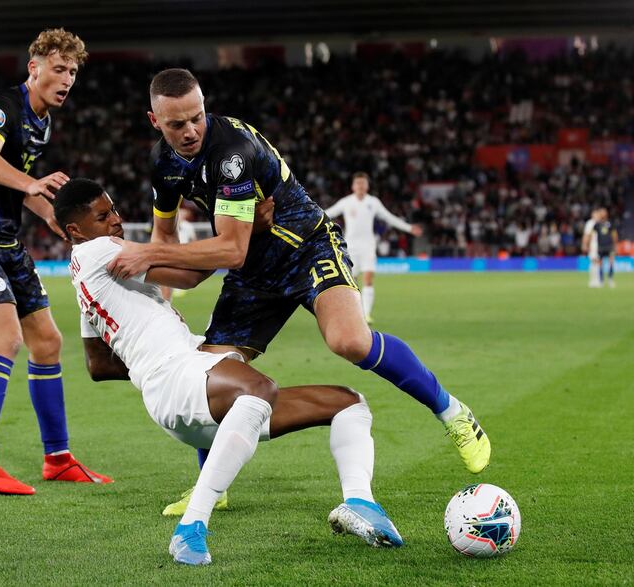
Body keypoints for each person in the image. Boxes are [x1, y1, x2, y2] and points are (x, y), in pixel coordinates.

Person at [108, 69, 490, 514]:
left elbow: (229, 248)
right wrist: (162, 308)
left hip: (304, 245)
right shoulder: (164, 164)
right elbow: (165, 237)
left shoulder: (230, 152)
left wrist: (147, 254)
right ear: (155, 120)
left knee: (349, 341)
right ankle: (212, 483)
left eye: (197, 117)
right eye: (177, 124)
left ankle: (453, 413)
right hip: (255, 269)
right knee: (209, 374)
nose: (191, 130)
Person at [54, 178, 404, 565]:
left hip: (187, 384)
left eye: (114, 210)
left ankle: (359, 502)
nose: (117, 221)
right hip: (179, 377)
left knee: (348, 403)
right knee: (258, 389)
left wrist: (143, 368)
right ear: (75, 230)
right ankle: (191, 528)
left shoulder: (81, 282)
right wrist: (246, 230)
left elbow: (97, 365)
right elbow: (188, 275)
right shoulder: (101, 249)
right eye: (103, 216)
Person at [0, 29, 109, 495]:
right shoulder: (2, 106)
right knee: (7, 338)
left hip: (4, 240)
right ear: (34, 68)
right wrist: (32, 186)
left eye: (73, 71)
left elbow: (19, 185)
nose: (67, 78)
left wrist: (51, 215)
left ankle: (57, 458)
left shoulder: (42, 121)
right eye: (58, 68)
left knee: (48, 341)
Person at [324, 172, 423, 323]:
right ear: (353, 186)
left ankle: (366, 315)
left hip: (368, 246)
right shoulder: (346, 202)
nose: (361, 186)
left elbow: (389, 217)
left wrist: (409, 228)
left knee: (368, 279)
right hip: (350, 246)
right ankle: (353, 312)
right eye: (358, 183)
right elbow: (326, 214)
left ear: (367, 186)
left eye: (363, 183)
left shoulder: (373, 202)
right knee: (351, 281)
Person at [582, 207, 618, 288]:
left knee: (611, 262)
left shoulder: (610, 223)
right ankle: (601, 280)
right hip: (600, 246)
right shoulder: (597, 224)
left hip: (610, 246)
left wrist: (615, 245)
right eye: (601, 212)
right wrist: (587, 244)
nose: (602, 214)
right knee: (599, 263)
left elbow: (614, 235)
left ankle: (610, 279)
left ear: (606, 214)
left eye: (604, 212)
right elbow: (591, 235)